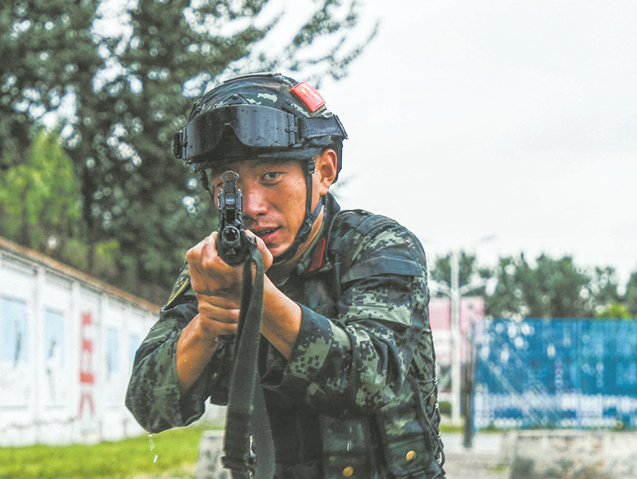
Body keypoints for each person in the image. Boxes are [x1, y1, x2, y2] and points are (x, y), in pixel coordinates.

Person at [126, 72, 445, 479]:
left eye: (271, 176)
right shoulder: (216, 271)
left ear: (325, 171)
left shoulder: (376, 246)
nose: (253, 205)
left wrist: (259, 297)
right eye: (229, 184)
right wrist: (207, 326)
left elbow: (371, 380)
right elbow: (149, 405)